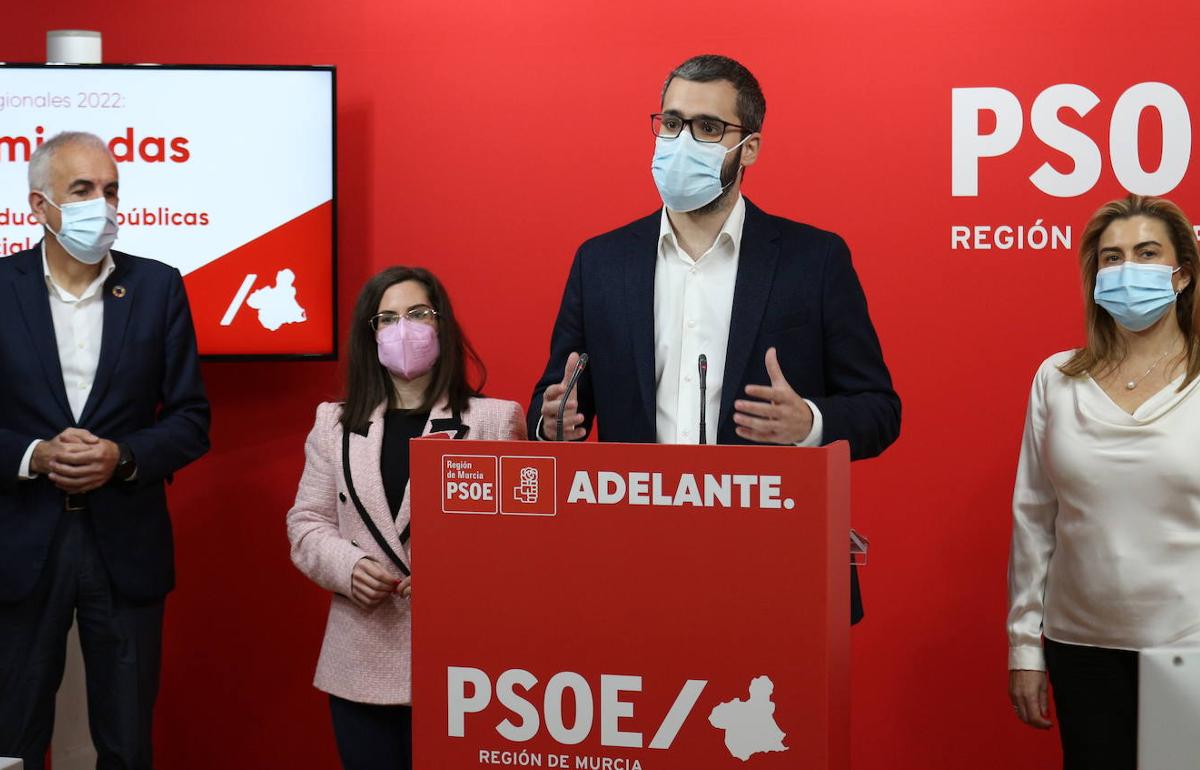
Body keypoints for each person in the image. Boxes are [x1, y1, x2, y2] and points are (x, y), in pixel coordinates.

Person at [526, 54, 900, 623]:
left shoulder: (814, 260)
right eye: (672, 123)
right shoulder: (601, 263)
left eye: (707, 127)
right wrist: (553, 422)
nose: (682, 141)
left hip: (775, 567)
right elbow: (554, 400)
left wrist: (809, 424)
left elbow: (880, 410)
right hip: (632, 566)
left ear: (748, 148)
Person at [0, 131, 211, 769]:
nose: (104, 204)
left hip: (124, 543)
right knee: (13, 737)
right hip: (19, 543)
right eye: (83, 189)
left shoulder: (158, 287)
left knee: (127, 741)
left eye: (111, 189)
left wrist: (122, 457)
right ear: (40, 206)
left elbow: (191, 419)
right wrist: (35, 455)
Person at [286, 266, 525, 770]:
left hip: (466, 667)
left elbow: (521, 540)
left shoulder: (494, 421)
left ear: (442, 324)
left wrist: (454, 574)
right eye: (388, 318)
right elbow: (307, 523)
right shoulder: (333, 422)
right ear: (370, 334)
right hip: (360, 660)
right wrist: (348, 567)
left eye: (418, 314)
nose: (404, 328)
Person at [1006, 194, 1200, 770]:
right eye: (1112, 258)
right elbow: (1033, 518)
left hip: (1187, 649)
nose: (1126, 269)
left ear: (1182, 274)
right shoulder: (1056, 379)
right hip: (1080, 648)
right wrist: (1024, 645)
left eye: (1147, 253)